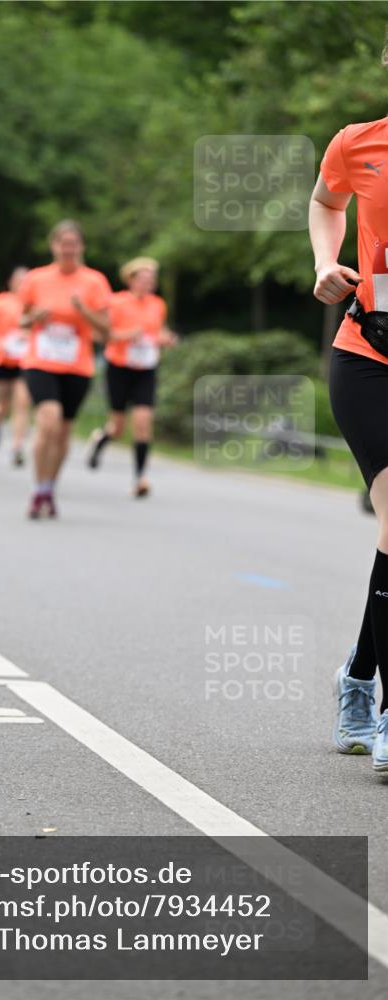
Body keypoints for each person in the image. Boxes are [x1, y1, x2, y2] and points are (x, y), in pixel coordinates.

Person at [309, 111, 387, 774]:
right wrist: (324, 263)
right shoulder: (358, 142)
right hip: (370, 354)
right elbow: (323, 201)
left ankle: (358, 675)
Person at [18, 219, 112, 518]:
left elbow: (107, 329)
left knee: (63, 433)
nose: (68, 249)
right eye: (63, 243)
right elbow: (20, 320)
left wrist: (84, 311)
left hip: (77, 366)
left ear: (81, 247)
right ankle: (37, 488)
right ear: (53, 245)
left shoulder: (94, 282)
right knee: (49, 422)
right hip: (41, 361)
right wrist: (35, 316)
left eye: (74, 244)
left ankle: (49, 488)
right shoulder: (36, 279)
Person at [87, 257, 178, 497]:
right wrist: (128, 334)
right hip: (119, 367)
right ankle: (100, 441)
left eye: (152, 279)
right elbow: (101, 335)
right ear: (131, 279)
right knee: (117, 427)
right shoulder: (116, 302)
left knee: (143, 421)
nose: (149, 283)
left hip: (146, 368)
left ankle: (140, 478)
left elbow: (159, 330)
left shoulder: (158, 304)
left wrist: (166, 339)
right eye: (143, 279)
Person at [0, 266, 31, 466]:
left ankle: (17, 447)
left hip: (26, 361)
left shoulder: (34, 304)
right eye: (19, 280)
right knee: (2, 405)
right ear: (11, 282)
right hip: (1, 359)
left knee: (22, 403)